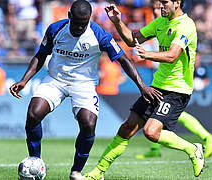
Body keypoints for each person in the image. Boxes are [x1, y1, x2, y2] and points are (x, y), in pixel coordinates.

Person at [9, 0, 162, 179]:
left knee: (88, 124)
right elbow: (41, 55)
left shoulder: (99, 34)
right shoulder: (55, 29)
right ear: (69, 16)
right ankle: (35, 159)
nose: (80, 28)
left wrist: (143, 87)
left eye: (84, 24)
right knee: (33, 114)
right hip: (56, 79)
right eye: (76, 23)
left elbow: (124, 60)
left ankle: (76, 171)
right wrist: (24, 80)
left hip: (84, 84)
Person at [85, 0, 205, 179]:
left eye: (164, 2)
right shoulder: (161, 22)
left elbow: (172, 55)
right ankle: (98, 173)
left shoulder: (186, 26)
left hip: (177, 90)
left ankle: (193, 149)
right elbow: (132, 40)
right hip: (157, 87)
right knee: (126, 128)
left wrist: (146, 54)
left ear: (177, 2)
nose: (160, 6)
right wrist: (117, 21)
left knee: (151, 132)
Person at [135, 0, 212, 159]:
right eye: (155, 6)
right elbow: (139, 37)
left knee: (166, 116)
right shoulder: (159, 21)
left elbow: (174, 52)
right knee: (157, 115)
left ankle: (206, 137)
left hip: (173, 78)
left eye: (160, 5)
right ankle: (155, 149)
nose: (157, 9)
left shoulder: (180, 23)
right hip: (161, 71)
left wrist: (148, 54)